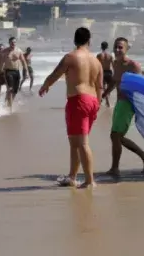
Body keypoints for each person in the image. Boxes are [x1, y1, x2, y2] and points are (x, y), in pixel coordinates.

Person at [38, 27, 102, 188]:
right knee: (74, 141)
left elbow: (55, 74)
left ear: (74, 40)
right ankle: (72, 177)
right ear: (89, 41)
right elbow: (99, 86)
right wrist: (97, 104)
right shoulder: (96, 61)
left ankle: (89, 181)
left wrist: (45, 86)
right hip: (93, 100)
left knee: (82, 143)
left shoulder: (71, 57)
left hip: (78, 101)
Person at [102, 37, 144, 177]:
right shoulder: (115, 63)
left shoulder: (133, 65)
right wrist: (105, 93)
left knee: (115, 135)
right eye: (116, 47)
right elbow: (114, 81)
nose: (118, 50)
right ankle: (142, 157)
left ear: (127, 49)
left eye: (120, 47)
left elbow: (141, 86)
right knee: (116, 136)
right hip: (119, 103)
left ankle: (117, 167)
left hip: (128, 103)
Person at [0, 37, 29, 110]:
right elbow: (0, 63)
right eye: (11, 42)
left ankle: (8, 103)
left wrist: (26, 72)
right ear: (9, 43)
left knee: (15, 91)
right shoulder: (5, 52)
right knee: (10, 89)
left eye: (14, 42)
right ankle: (10, 108)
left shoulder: (19, 51)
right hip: (8, 71)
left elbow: (23, 62)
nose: (13, 44)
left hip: (16, 71)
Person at [96, 41, 113, 107]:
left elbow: (96, 65)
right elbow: (113, 65)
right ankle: (107, 100)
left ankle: (107, 101)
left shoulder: (99, 55)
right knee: (109, 88)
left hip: (102, 72)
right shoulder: (110, 56)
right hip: (109, 72)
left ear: (101, 47)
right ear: (107, 47)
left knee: (103, 87)